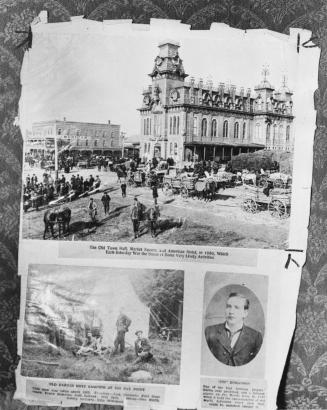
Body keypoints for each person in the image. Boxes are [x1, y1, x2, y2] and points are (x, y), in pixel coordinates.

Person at [205, 292, 263, 366]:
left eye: (237, 307)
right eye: (228, 306)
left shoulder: (256, 337)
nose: (231, 311)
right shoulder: (210, 331)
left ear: (245, 313)